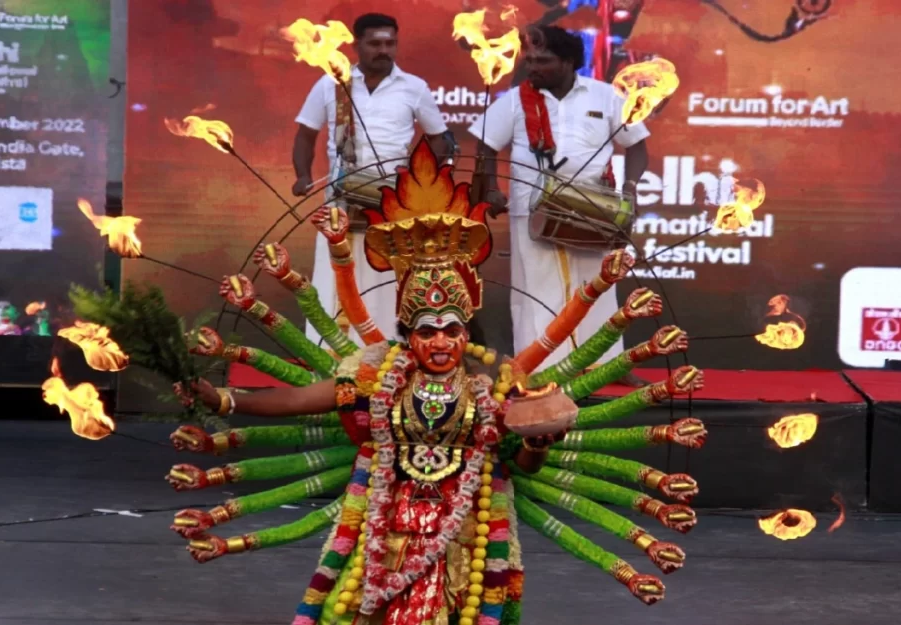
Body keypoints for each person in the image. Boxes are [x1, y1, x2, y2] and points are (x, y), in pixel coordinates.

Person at [158, 138, 704, 625]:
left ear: (466, 333)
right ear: (406, 334)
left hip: (467, 532)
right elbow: (301, 400)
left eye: (450, 330)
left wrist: (538, 442)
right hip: (384, 526)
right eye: (426, 330)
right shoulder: (376, 378)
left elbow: (519, 463)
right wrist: (225, 399)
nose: (439, 341)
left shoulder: (493, 389)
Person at [467, 25, 651, 381]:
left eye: (544, 61)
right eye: (530, 60)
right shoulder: (515, 100)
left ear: (569, 62)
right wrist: (491, 188)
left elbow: (638, 145)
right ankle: (538, 369)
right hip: (532, 211)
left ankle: (606, 367)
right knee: (536, 290)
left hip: (593, 209)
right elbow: (486, 146)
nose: (533, 67)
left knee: (596, 287)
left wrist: (630, 187)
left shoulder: (606, 96)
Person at [292, 12, 451, 347]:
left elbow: (440, 139)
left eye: (390, 43)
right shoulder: (331, 82)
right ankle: (331, 359)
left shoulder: (414, 88)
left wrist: (428, 181)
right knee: (333, 278)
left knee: (385, 281)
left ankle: (385, 358)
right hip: (340, 200)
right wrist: (303, 176)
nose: (384, 50)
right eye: (375, 43)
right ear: (358, 44)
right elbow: (306, 135)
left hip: (392, 203)